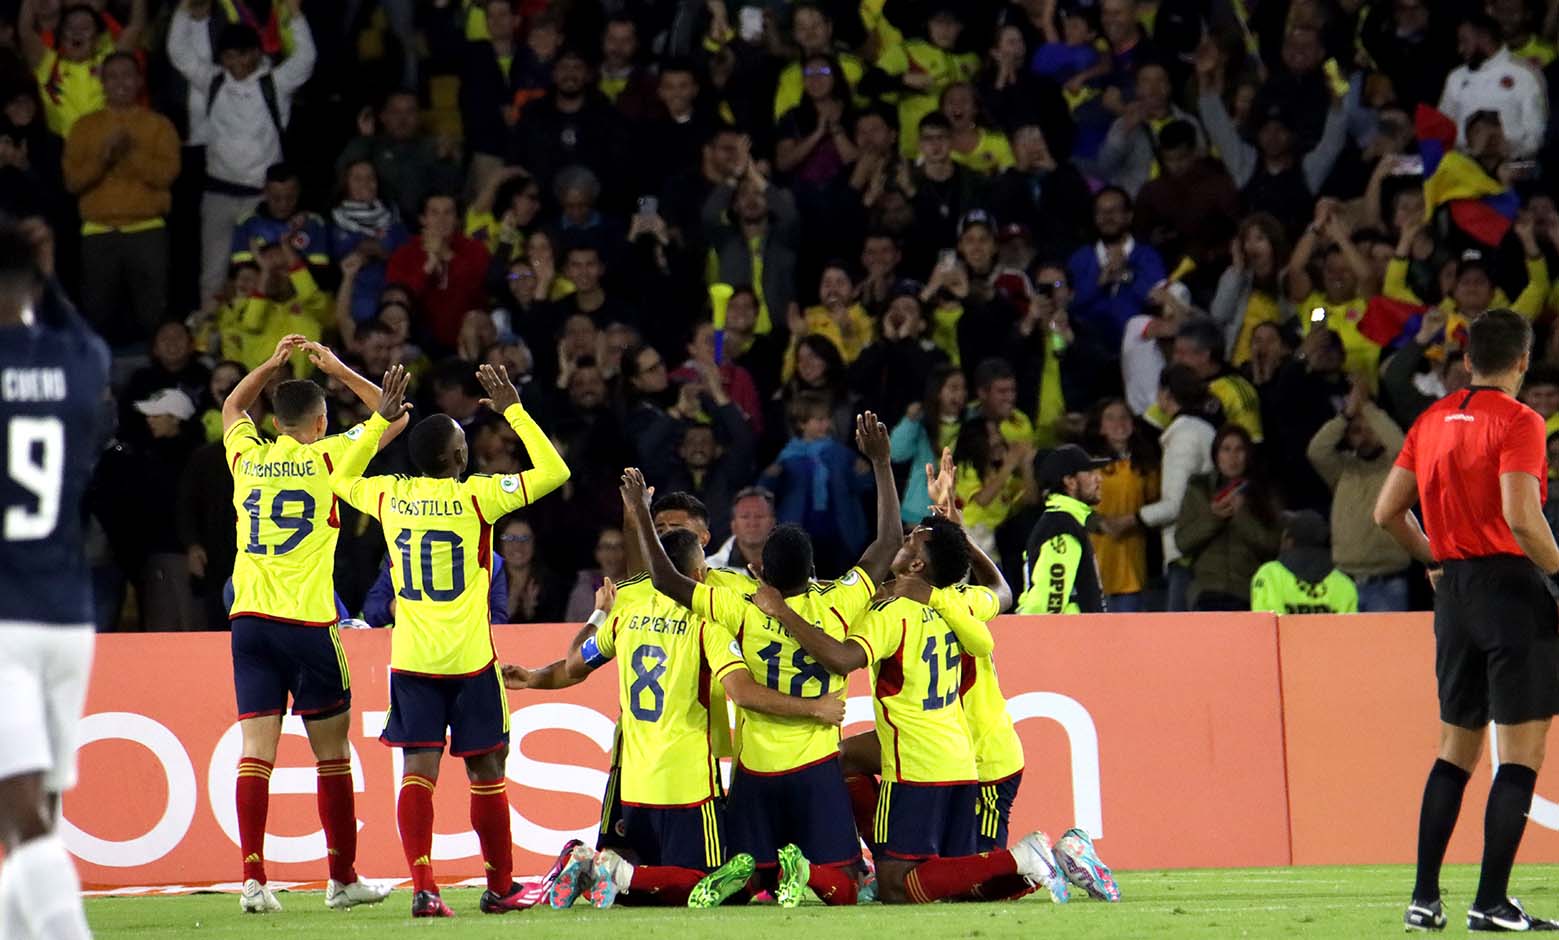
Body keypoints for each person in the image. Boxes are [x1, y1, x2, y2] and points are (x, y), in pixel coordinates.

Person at [503, 477, 846, 910]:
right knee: (722, 883)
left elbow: (573, 667)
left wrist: (533, 676)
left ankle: (596, 865)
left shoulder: (628, 609)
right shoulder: (713, 615)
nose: (662, 534)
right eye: (657, 527)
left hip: (638, 772)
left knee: (640, 888)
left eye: (670, 529)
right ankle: (599, 865)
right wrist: (816, 701)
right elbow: (745, 687)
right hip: (687, 773)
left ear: (702, 536)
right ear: (699, 566)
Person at [335, 364, 569, 917]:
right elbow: (555, 470)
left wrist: (378, 422)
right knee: (486, 772)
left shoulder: (391, 496)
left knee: (419, 773)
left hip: (412, 660)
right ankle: (500, 885)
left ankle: (423, 887)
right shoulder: (479, 499)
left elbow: (340, 479)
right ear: (460, 458)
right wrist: (513, 408)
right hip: (469, 662)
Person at [643, 413, 902, 907]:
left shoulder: (741, 607)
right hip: (816, 762)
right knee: (846, 884)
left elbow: (668, 581)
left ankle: (752, 875)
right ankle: (804, 875)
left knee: (748, 883)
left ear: (760, 569)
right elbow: (887, 543)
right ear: (812, 570)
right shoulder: (838, 603)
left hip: (756, 765)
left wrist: (640, 513)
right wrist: (882, 463)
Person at [754, 512, 1070, 905]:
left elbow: (839, 659)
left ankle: (1023, 858)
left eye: (908, 544)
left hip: (914, 763)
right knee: (956, 884)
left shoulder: (889, 615)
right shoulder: (959, 601)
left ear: (917, 565)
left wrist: (782, 612)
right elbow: (1001, 590)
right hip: (959, 760)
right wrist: (965, 541)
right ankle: (1025, 861)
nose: (899, 544)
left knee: (896, 887)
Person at [1374, 309, 1559, 932]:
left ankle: (1424, 899)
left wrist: (1434, 559)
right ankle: (1491, 902)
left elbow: (1386, 512)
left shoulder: (1429, 421)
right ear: (1523, 360)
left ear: (1468, 358)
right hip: (1511, 594)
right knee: (1519, 758)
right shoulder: (1521, 421)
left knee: (1454, 753)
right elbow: (1522, 517)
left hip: (1453, 596)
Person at [220, 336, 407, 912]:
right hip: (307, 623)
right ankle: (342, 879)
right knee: (332, 755)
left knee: (256, 752)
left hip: (248, 620)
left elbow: (231, 408)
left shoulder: (247, 457)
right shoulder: (331, 455)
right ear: (321, 421)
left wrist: (269, 366)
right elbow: (394, 413)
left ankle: (253, 882)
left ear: (275, 423)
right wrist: (338, 366)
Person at [0, 218, 108, 940]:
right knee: (39, 820)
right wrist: (47, 272)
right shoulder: (80, 362)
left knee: (26, 820)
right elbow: (92, 346)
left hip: (4, 620)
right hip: (69, 617)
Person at [167, 1, 317, 303]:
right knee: (213, 272)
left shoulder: (274, 83)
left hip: (262, 199)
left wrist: (296, 16)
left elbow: (305, 58)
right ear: (222, 58)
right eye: (229, 56)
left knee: (266, 269)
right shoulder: (213, 81)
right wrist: (183, 9)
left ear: (257, 53)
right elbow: (178, 52)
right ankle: (209, 337)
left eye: (243, 54)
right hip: (219, 195)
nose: (236, 62)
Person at [61, 52, 179, 345]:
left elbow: (166, 176)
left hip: (147, 229)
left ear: (139, 81)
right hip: (98, 233)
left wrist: (129, 153)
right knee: (96, 314)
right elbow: (73, 183)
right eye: (112, 76)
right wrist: (104, 157)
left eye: (127, 75)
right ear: (102, 82)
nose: (120, 82)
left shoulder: (158, 125)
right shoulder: (84, 126)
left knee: (154, 313)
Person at [1306, 381, 1411, 611]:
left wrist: (1366, 407)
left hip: (1388, 582)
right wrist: (1346, 414)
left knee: (1386, 648)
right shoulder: (1343, 468)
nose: (1364, 437)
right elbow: (1317, 450)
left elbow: (1401, 446)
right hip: (1343, 581)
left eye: (1370, 430)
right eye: (1356, 431)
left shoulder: (1395, 468)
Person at [1174, 425, 1281, 611]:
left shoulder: (1264, 492)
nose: (1233, 457)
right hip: (1207, 592)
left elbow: (1272, 546)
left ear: (1248, 454)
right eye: (1226, 449)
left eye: (1239, 449)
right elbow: (1183, 543)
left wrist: (1241, 515)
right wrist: (1213, 517)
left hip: (1248, 593)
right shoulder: (1199, 489)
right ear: (1216, 455)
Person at [1136, 365, 1217, 611]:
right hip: (1198, 551)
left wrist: (1132, 519)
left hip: (1186, 553)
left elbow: (1175, 504)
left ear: (1166, 394)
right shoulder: (1200, 429)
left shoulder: (1184, 436)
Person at [1016, 444, 1110, 614]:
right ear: (1070, 482)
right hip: (1071, 637)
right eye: (1089, 473)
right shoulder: (1062, 526)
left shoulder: (1064, 521)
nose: (1098, 479)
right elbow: (1049, 603)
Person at [1438, 12, 1547, 159]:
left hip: (1511, 163)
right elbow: (1440, 130)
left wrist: (1510, 152)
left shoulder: (1525, 74)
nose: (1460, 49)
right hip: (1464, 166)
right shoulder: (1456, 77)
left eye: (1464, 41)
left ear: (1484, 38)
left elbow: (1536, 134)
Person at [1249, 511, 1358, 614]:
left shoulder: (1269, 575)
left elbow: (1264, 625)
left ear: (1288, 541)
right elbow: (1350, 631)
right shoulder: (1344, 584)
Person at [707, 487, 775, 574]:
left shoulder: (792, 565)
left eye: (759, 516)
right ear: (733, 525)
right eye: (745, 516)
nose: (753, 523)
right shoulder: (711, 569)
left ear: (772, 523)